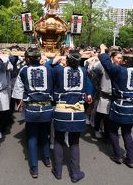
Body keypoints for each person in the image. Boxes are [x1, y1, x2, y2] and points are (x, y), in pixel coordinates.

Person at [12, 47, 54, 179]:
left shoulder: (24, 70)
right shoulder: (49, 69)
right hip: (47, 108)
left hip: (31, 109)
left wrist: (20, 101)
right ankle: (47, 159)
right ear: (39, 58)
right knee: (44, 133)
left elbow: (18, 90)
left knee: (31, 137)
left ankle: (34, 167)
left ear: (28, 58)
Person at [51, 50, 93, 183]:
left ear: (67, 60)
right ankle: (75, 173)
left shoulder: (58, 70)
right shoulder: (84, 71)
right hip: (78, 110)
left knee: (58, 139)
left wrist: (56, 60)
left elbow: (47, 68)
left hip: (61, 110)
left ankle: (58, 171)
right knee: (75, 142)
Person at [99, 44, 133, 168]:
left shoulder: (119, 70)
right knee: (127, 133)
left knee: (112, 130)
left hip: (121, 107)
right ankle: (130, 158)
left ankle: (118, 155)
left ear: (125, 60)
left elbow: (105, 62)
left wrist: (102, 50)